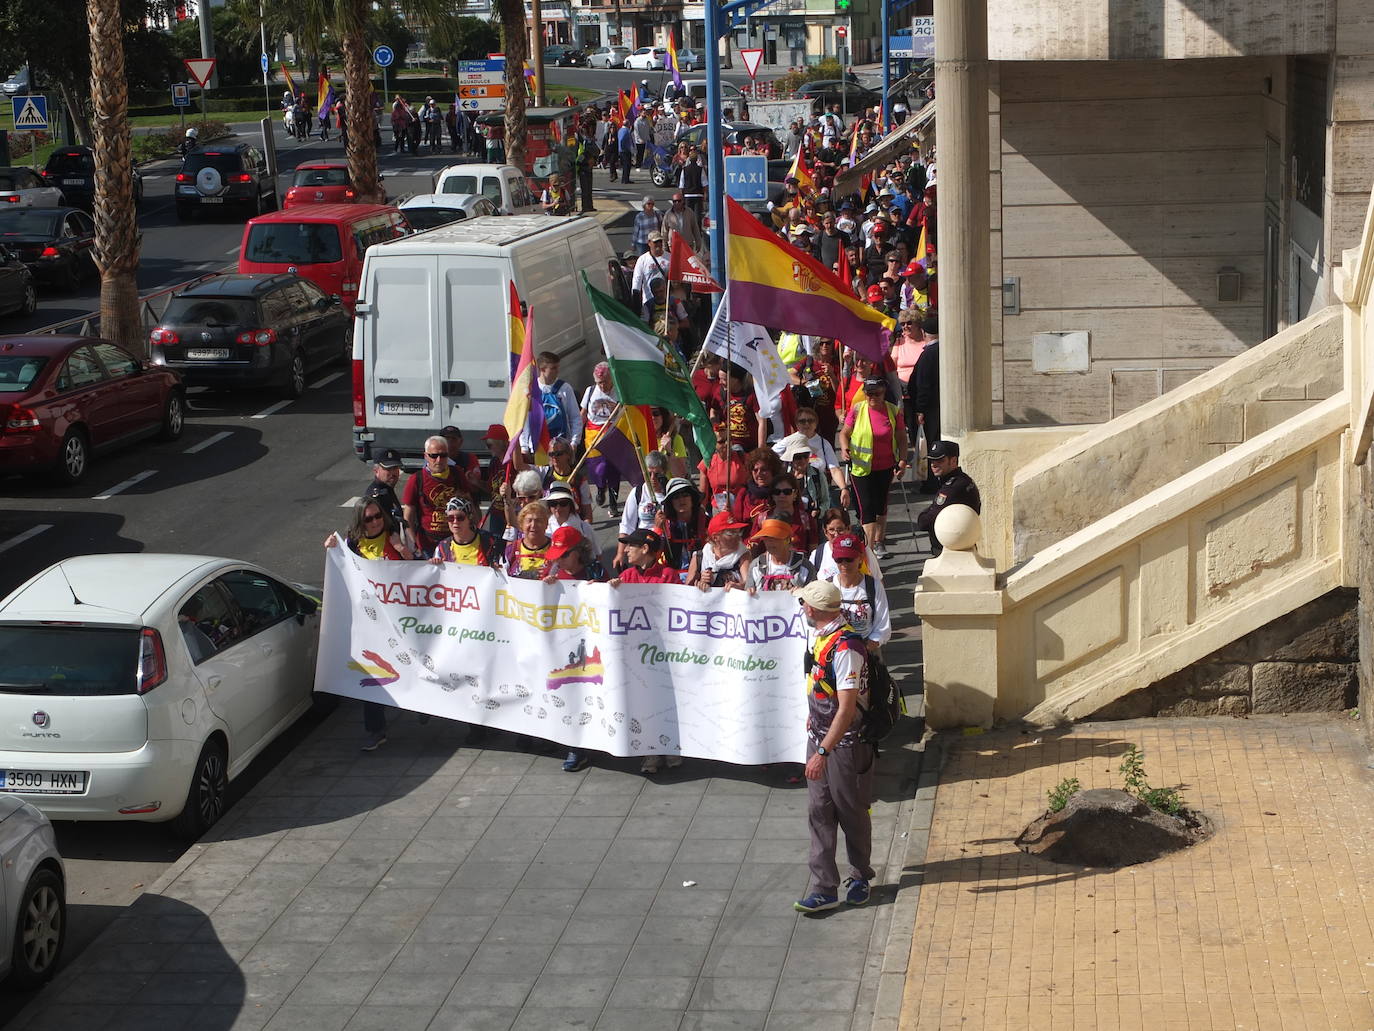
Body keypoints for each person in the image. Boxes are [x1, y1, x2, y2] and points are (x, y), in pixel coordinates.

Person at [792, 579, 875, 913]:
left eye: (804, 605)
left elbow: (847, 709)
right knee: (819, 812)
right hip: (821, 739)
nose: (802, 609)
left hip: (846, 748)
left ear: (813, 609)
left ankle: (860, 876)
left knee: (851, 812)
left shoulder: (847, 650)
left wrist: (823, 752)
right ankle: (824, 887)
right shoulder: (823, 637)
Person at [324, 498, 417, 751]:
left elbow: (417, 572)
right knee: (374, 675)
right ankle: (375, 730)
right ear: (359, 522)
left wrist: (405, 552)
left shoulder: (394, 537)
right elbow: (341, 570)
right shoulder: (352, 545)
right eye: (368, 519)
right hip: (371, 623)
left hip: (401, 619)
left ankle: (424, 708)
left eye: (378, 516)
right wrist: (332, 550)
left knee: (413, 666)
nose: (375, 522)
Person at [837, 377, 909, 560]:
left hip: (885, 466)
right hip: (860, 468)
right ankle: (867, 552)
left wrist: (902, 460)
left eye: (876, 393)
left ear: (884, 393)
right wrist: (845, 448)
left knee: (880, 505)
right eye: (868, 393)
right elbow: (845, 433)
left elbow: (901, 437)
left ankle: (879, 541)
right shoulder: (857, 409)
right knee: (866, 508)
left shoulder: (893, 411)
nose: (872, 397)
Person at [823, 532, 891, 654]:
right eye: (839, 560)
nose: (844, 565)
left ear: (860, 558)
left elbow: (883, 627)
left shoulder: (873, 586)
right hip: (834, 652)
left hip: (866, 651)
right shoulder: (828, 586)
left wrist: (863, 648)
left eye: (849, 559)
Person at [402, 435, 461, 557]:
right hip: (427, 544)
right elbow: (408, 516)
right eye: (433, 456)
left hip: (454, 541)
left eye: (443, 455)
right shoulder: (416, 479)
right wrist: (414, 543)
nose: (439, 460)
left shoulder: (457, 474)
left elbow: (471, 505)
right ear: (425, 456)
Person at [915, 440, 981, 539]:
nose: (933, 465)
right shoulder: (963, 479)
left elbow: (924, 523)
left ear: (953, 461)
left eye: (940, 461)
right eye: (932, 461)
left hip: (951, 547)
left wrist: (924, 513)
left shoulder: (953, 487)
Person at [579, 362, 622, 516]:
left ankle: (613, 502)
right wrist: (577, 435)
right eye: (599, 383)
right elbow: (583, 414)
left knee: (613, 470)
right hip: (593, 436)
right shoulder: (590, 391)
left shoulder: (619, 392)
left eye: (605, 382)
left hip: (613, 435)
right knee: (599, 469)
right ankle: (600, 487)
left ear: (611, 379)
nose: (602, 386)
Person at [616, 451, 669, 569]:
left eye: (657, 474)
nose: (652, 479)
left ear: (664, 472)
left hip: (666, 547)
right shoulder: (638, 493)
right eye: (649, 474)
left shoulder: (670, 492)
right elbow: (627, 525)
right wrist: (620, 554)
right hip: (642, 548)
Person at [749, 471, 818, 554]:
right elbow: (754, 548)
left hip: (798, 564)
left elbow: (813, 550)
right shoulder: (762, 519)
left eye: (787, 492)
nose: (782, 495)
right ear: (772, 495)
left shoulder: (806, 519)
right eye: (777, 492)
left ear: (795, 494)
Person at [909, 321, 940, 493]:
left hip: (928, 408)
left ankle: (930, 482)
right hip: (938, 406)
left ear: (923, 332)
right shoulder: (941, 351)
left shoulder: (928, 354)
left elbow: (923, 384)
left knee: (927, 445)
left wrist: (920, 409)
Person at [428, 496, 503, 567]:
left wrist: (497, 566)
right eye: (450, 518)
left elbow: (500, 567)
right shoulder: (443, 547)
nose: (455, 522)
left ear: (469, 518)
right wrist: (435, 563)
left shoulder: (488, 542)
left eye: (460, 518)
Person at [747, 518, 816, 593]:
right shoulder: (756, 566)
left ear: (787, 540)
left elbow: (814, 598)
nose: (769, 542)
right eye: (766, 537)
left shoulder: (805, 567)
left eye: (774, 538)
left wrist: (803, 594)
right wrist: (749, 592)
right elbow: (748, 593)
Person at [658, 477, 706, 583]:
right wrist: (658, 530)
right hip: (673, 579)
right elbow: (653, 555)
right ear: (671, 503)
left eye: (685, 495)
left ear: (693, 499)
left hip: (702, 577)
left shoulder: (706, 522)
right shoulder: (665, 525)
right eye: (676, 497)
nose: (681, 500)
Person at [688, 511, 751, 589]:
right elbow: (687, 589)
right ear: (715, 537)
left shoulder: (743, 555)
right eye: (731, 534)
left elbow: (748, 584)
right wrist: (701, 582)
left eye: (738, 532)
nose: (738, 537)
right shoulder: (699, 557)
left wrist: (738, 586)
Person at [530, 352, 581, 445]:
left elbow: (575, 417)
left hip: (562, 444)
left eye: (558, 367)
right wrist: (524, 446)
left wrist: (574, 442)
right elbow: (525, 421)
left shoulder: (565, 388)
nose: (557, 371)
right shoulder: (532, 389)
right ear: (542, 369)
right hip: (539, 445)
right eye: (553, 368)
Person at [698, 426, 747, 515]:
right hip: (718, 511)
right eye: (721, 441)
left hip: (741, 509)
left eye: (729, 439)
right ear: (714, 444)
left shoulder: (743, 458)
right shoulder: (707, 462)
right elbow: (703, 495)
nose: (727, 443)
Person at [505, 500, 553, 577]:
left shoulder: (555, 548)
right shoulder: (512, 550)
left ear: (546, 524)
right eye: (529, 521)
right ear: (521, 524)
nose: (533, 525)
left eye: (538, 521)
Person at [631, 232, 670, 308]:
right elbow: (637, 281)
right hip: (649, 303)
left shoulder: (669, 258)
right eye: (655, 242)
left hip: (666, 302)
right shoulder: (642, 260)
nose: (658, 244)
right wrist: (635, 302)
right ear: (649, 243)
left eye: (660, 241)